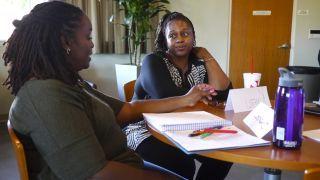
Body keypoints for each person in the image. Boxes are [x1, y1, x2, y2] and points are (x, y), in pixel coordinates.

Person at [2, 2, 216, 179]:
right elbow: (96, 174)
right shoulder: (46, 95)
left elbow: (128, 110)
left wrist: (185, 99)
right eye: (88, 37)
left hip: (125, 163)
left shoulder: (68, 83)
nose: (92, 45)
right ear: (65, 42)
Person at [125, 12, 233, 180]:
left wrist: (205, 54)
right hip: (144, 130)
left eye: (185, 33)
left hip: (185, 127)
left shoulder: (198, 64)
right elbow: (165, 95)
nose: (180, 39)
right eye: (172, 35)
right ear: (165, 40)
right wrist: (198, 96)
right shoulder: (153, 61)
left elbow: (223, 93)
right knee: (181, 163)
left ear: (193, 36)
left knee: (222, 158)